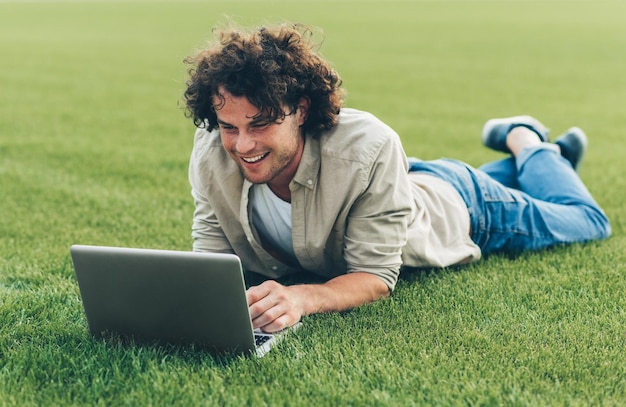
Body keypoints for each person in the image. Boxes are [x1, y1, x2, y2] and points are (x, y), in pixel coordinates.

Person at [183, 23, 611, 333]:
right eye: (229, 126)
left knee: (587, 220)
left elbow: (375, 277)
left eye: (260, 124)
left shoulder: (369, 144)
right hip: (399, 185)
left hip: (466, 207)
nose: (241, 145)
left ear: (302, 109)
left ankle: (527, 142)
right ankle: (543, 163)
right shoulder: (211, 151)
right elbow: (216, 260)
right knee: (529, 185)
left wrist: (301, 297)